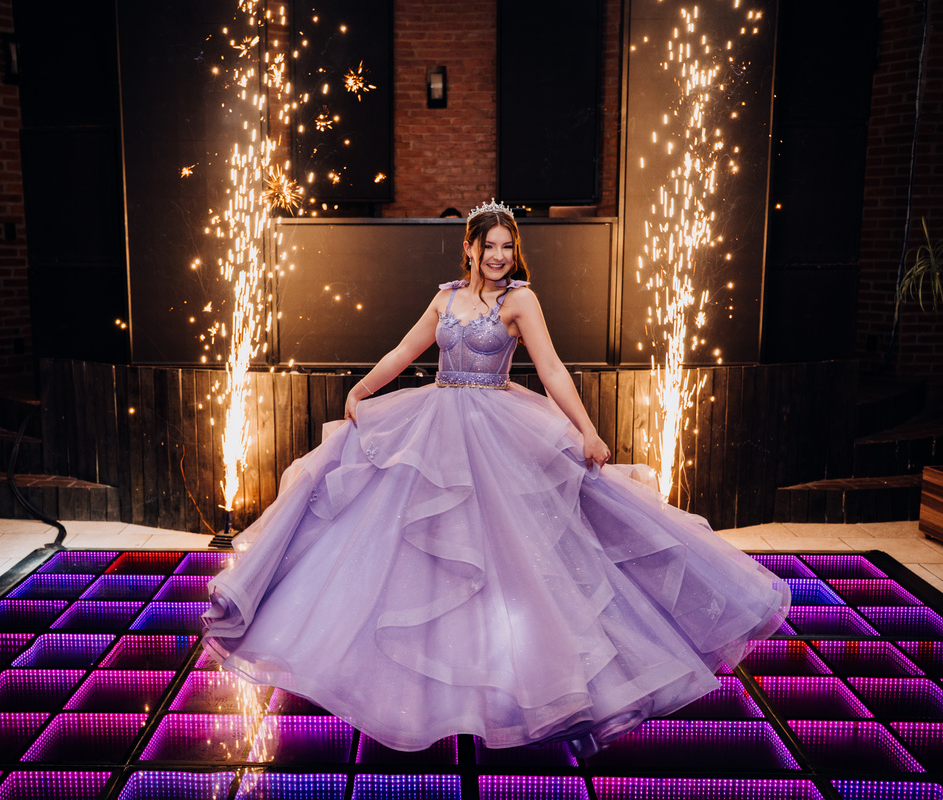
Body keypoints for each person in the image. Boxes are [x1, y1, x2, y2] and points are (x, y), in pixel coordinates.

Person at [202, 199, 790, 756]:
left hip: (495, 429)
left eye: (508, 247)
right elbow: (406, 349)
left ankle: (522, 680)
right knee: (413, 550)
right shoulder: (445, 297)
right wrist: (362, 388)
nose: (499, 256)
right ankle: (433, 690)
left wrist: (586, 430)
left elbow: (551, 369)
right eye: (490, 246)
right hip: (434, 424)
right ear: (470, 247)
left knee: (510, 556)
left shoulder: (521, 300)